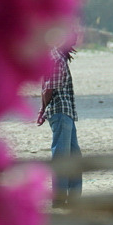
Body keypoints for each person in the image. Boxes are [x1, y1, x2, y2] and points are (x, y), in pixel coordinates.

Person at [37, 44, 82, 208]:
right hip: (61, 112)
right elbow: (48, 89)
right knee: (63, 157)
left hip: (66, 112)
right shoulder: (55, 56)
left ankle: (74, 197)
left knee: (73, 156)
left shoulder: (58, 56)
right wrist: (43, 109)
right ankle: (60, 198)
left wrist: (42, 110)